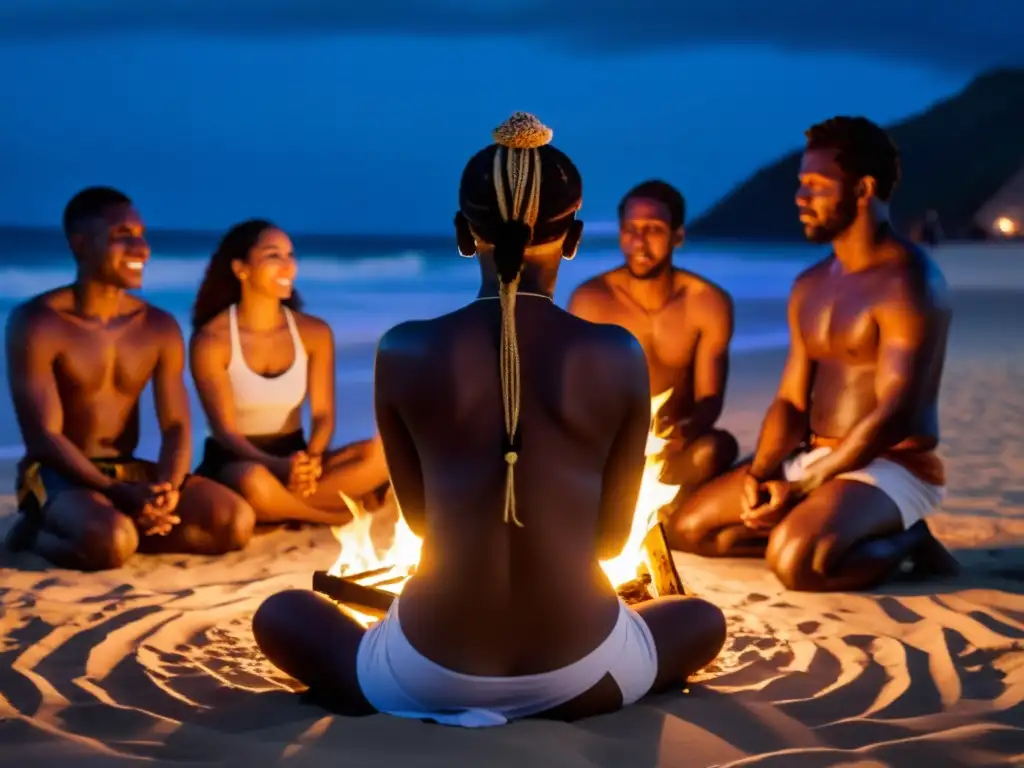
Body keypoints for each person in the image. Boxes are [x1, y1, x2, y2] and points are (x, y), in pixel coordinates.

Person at [252, 113, 726, 725]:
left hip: (423, 672)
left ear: (461, 231)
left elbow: (421, 525)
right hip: (584, 670)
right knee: (700, 620)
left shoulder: (403, 350)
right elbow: (610, 542)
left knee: (282, 614)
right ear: (576, 237)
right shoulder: (618, 353)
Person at [666, 116, 957, 592]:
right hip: (815, 456)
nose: (801, 199)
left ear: (863, 189)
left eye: (816, 187)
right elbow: (791, 401)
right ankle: (812, 525)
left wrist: (803, 486)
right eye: (801, 186)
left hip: (891, 465)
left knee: (798, 564)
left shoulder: (907, 282)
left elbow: (895, 413)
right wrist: (761, 473)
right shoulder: (811, 285)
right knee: (690, 528)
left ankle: (910, 538)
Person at [4, 187, 255, 571]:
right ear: (81, 243)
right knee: (111, 543)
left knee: (234, 521)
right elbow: (45, 437)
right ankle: (37, 532)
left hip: (129, 471)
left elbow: (175, 425)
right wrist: (116, 493)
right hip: (59, 473)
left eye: (142, 235)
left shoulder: (158, 326)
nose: (142, 248)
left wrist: (167, 490)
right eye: (124, 235)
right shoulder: (38, 322)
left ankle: (122, 526)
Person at [189, 220, 389, 527]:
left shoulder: (314, 332)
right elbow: (225, 431)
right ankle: (330, 515)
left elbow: (323, 415)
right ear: (241, 269)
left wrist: (311, 458)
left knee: (381, 453)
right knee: (254, 482)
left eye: (290, 255)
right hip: (236, 461)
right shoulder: (212, 340)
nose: (288, 267)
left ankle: (279, 508)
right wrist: (277, 467)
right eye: (273, 256)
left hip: (297, 460)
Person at [568, 180, 738, 505]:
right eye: (630, 229)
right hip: (607, 450)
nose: (639, 242)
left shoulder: (707, 302)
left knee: (716, 448)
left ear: (678, 236)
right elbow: (575, 393)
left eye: (654, 229)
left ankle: (655, 510)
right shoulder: (592, 300)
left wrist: (683, 430)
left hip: (674, 448)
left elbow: (710, 397)